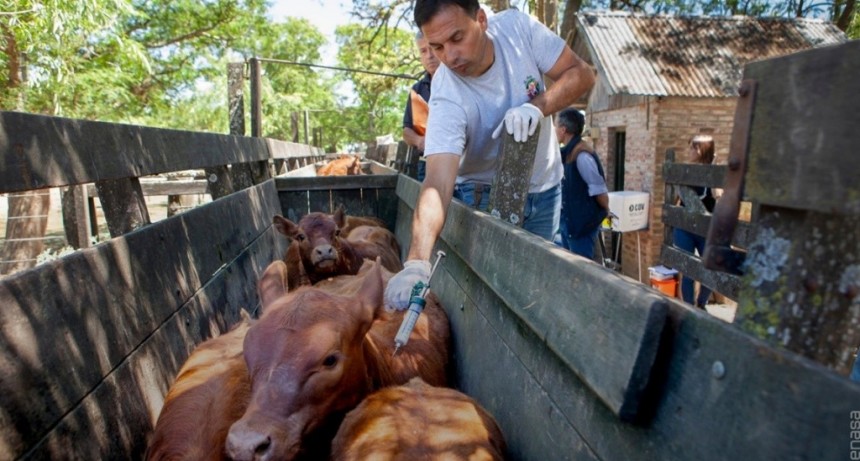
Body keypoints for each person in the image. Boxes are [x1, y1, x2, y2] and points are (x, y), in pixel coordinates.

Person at [383, 0, 595, 310]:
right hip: (481, 195)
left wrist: (536, 108)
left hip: (545, 188)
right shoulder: (446, 93)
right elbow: (438, 182)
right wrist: (416, 262)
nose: (450, 57)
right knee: (491, 301)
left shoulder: (518, 30)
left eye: (457, 38)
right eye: (437, 47)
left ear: (481, 20)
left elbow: (583, 73)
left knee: (535, 295)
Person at [554, 108, 610, 259]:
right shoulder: (567, 151)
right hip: (570, 225)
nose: (554, 130)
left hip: (582, 227)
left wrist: (605, 210)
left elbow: (599, 191)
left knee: (584, 273)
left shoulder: (582, 155)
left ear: (563, 130)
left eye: (556, 126)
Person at [673, 134, 719, 308]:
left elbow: (718, 195)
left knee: (712, 269)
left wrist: (713, 171)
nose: (689, 151)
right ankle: (688, 307)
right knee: (688, 270)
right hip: (685, 226)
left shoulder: (714, 173)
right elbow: (679, 197)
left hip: (705, 227)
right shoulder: (686, 171)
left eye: (693, 147)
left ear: (702, 150)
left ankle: (701, 304)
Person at [402, 31, 440, 181]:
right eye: (423, 51)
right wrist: (420, 141)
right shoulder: (417, 90)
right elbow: (406, 131)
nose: (429, 55)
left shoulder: (459, 81)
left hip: (460, 168)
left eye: (433, 48)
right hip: (426, 165)